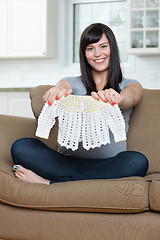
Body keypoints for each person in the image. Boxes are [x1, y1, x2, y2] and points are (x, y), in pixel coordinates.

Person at [11, 23, 149, 185]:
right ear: (84, 53)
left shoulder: (129, 85)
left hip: (109, 165)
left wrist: (117, 98)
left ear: (112, 48)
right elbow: (63, 87)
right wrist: (56, 92)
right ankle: (80, 181)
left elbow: (130, 97)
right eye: (90, 48)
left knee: (138, 160)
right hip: (64, 163)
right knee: (21, 146)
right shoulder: (71, 83)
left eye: (103, 46)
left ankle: (51, 184)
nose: (98, 53)